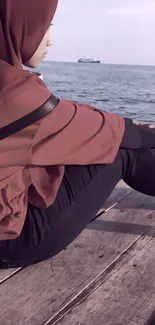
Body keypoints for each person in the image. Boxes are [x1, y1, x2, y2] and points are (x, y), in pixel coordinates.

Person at [0, 0, 155, 269]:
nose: (50, 40)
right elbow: (107, 132)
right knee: (122, 149)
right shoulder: (15, 95)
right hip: (14, 238)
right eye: (45, 26)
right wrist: (143, 132)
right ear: (18, 25)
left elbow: (64, 114)